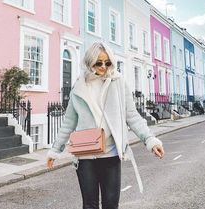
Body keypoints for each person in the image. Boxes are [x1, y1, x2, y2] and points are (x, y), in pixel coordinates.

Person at [47, 42, 164, 209]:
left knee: (110, 204)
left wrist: (150, 140)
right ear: (90, 62)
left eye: (107, 62)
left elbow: (132, 116)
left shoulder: (118, 82)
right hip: (85, 156)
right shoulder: (78, 87)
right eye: (98, 62)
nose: (103, 66)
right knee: (90, 205)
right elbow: (68, 122)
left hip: (111, 154)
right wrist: (55, 150)